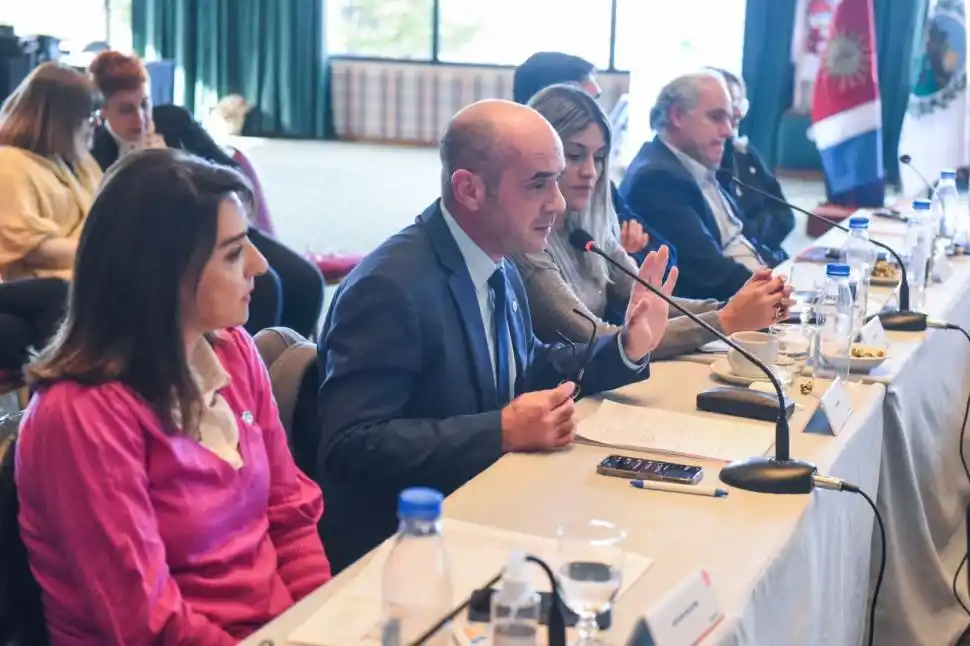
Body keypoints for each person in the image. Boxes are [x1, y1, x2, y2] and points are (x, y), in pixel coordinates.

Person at [316, 99, 676, 572]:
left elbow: (526, 368)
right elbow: (350, 446)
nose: (560, 202)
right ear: (469, 189)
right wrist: (498, 431)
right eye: (538, 184)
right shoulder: (390, 287)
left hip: (491, 506)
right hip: (411, 551)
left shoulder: (496, 258)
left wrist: (627, 346)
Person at [16, 149, 331, 644]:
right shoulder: (81, 415)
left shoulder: (232, 351)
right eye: (232, 252)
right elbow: (146, 621)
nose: (260, 264)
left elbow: (289, 512)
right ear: (162, 275)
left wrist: (321, 622)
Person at [515, 85, 792, 357]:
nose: (591, 171)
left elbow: (650, 302)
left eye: (599, 158)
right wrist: (726, 320)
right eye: (574, 156)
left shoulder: (588, 225)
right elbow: (597, 339)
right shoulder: (524, 244)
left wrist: (739, 305)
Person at [87, 50, 325, 338]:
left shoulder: (174, 121)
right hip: (174, 248)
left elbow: (230, 170)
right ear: (102, 112)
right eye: (126, 110)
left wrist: (183, 164)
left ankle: (280, 367)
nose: (140, 117)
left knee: (306, 282)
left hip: (223, 224)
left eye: (145, 104)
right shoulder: (96, 155)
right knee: (265, 289)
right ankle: (244, 371)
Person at [620, 71, 784, 302]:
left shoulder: (698, 165)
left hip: (756, 287)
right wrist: (783, 294)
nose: (728, 131)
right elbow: (712, 275)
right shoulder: (656, 179)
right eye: (716, 117)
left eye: (730, 119)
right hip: (722, 315)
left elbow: (748, 238)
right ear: (676, 115)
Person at [512, 51, 677, 267]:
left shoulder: (596, 184)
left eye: (594, 102)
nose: (594, 114)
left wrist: (623, 262)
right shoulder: (520, 224)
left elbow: (667, 258)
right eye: (580, 102)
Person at [0, 62, 102, 281]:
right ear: (59, 121)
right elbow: (34, 249)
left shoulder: (81, 162)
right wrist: (106, 254)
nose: (96, 125)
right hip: (45, 290)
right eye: (88, 116)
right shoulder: (8, 165)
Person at [711, 67, 795, 258]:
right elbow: (738, 229)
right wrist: (764, 224)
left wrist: (760, 228)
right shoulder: (710, 161)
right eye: (731, 106)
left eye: (740, 104)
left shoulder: (745, 152)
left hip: (770, 254)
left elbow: (786, 216)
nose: (737, 114)